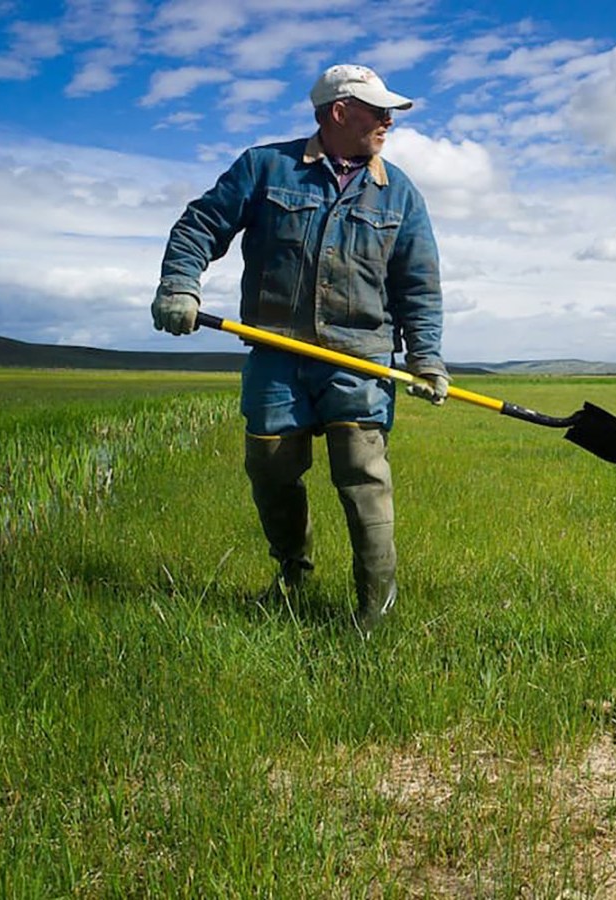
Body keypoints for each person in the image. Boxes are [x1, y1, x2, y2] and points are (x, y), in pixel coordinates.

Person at [151, 64, 449, 634]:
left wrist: (426, 357)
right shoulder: (265, 168)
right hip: (277, 353)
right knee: (270, 469)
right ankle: (293, 575)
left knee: (364, 478)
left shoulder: (400, 192)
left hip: (359, 362)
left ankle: (376, 608)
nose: (388, 121)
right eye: (376, 110)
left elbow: (419, 284)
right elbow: (199, 226)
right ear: (339, 113)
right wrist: (179, 285)